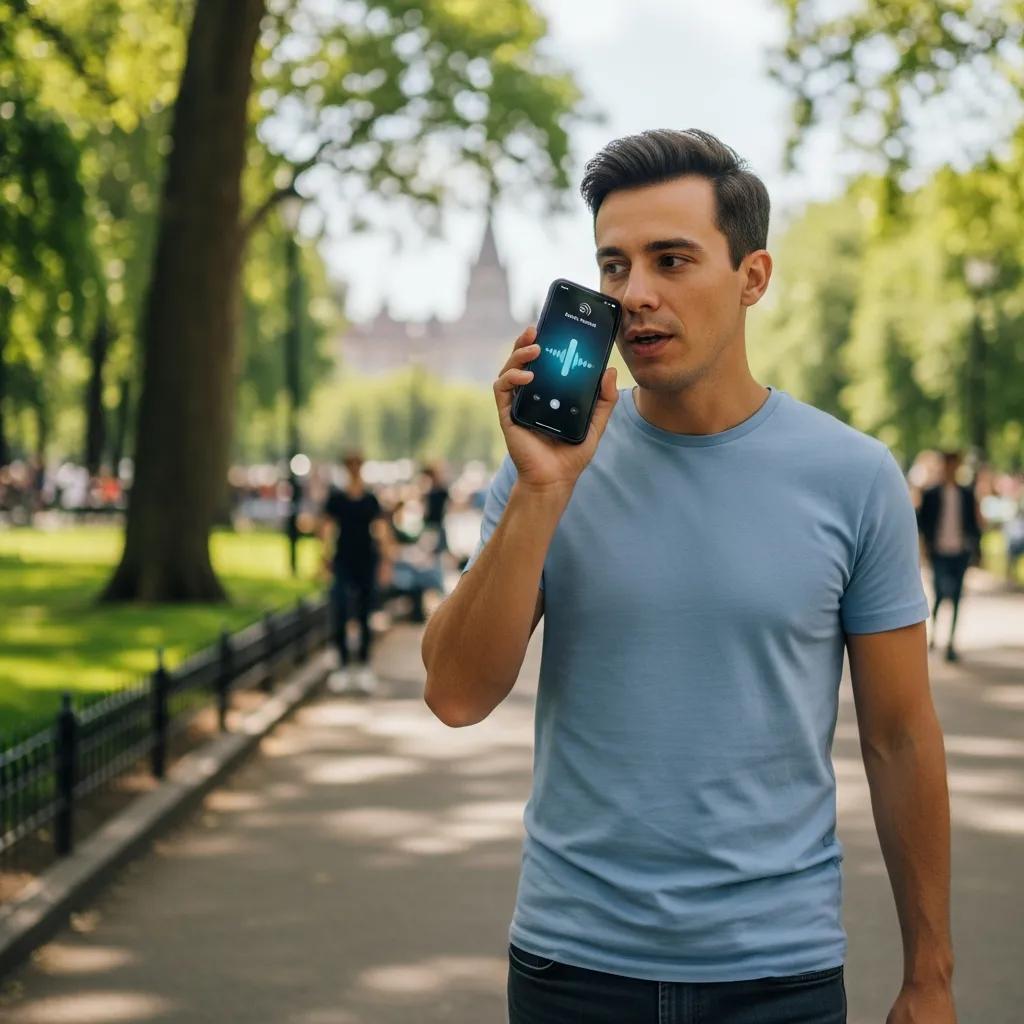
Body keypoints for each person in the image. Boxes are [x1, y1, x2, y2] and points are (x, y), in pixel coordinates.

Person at [421, 130, 956, 1024]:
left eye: (672, 261)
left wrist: (930, 974)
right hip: (572, 968)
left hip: (779, 974)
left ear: (753, 277)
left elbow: (900, 738)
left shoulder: (855, 475)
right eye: (615, 265)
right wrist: (544, 490)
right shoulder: (544, 468)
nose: (636, 295)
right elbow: (454, 695)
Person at [318, 451, 393, 695]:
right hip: (343, 559)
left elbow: (381, 529)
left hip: (366, 560)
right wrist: (324, 556)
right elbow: (326, 527)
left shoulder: (370, 499)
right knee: (340, 610)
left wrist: (385, 560)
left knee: (364, 613)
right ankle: (341, 663)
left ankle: (363, 664)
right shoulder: (337, 498)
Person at [916, 450, 984, 662]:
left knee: (956, 597)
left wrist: (976, 549)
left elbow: (974, 524)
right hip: (939, 552)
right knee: (939, 593)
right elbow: (922, 522)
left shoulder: (966, 493)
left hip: (960, 552)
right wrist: (924, 547)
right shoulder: (931, 494)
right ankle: (935, 634)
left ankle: (951, 643)